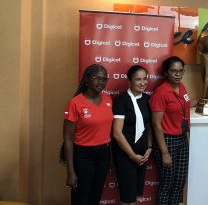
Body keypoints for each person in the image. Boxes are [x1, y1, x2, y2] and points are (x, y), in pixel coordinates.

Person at [62, 64, 113, 205]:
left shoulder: (108, 99)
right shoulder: (75, 103)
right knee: (81, 199)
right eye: (97, 79)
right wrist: (70, 171)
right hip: (83, 156)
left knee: (95, 197)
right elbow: (67, 138)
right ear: (86, 80)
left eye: (104, 79)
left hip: (103, 154)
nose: (101, 82)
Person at [150, 56, 190, 205]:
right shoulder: (161, 92)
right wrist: (165, 152)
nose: (178, 74)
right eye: (173, 71)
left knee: (180, 181)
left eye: (180, 71)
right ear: (166, 73)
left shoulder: (182, 87)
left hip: (181, 139)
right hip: (167, 140)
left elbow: (182, 109)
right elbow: (156, 124)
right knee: (167, 183)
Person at [112, 65, 152, 205]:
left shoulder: (147, 99)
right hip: (126, 155)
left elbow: (149, 126)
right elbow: (117, 133)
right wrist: (132, 156)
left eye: (145, 78)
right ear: (129, 81)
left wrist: (150, 147)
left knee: (134, 195)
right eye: (138, 79)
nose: (143, 83)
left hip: (142, 155)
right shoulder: (121, 101)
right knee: (128, 198)